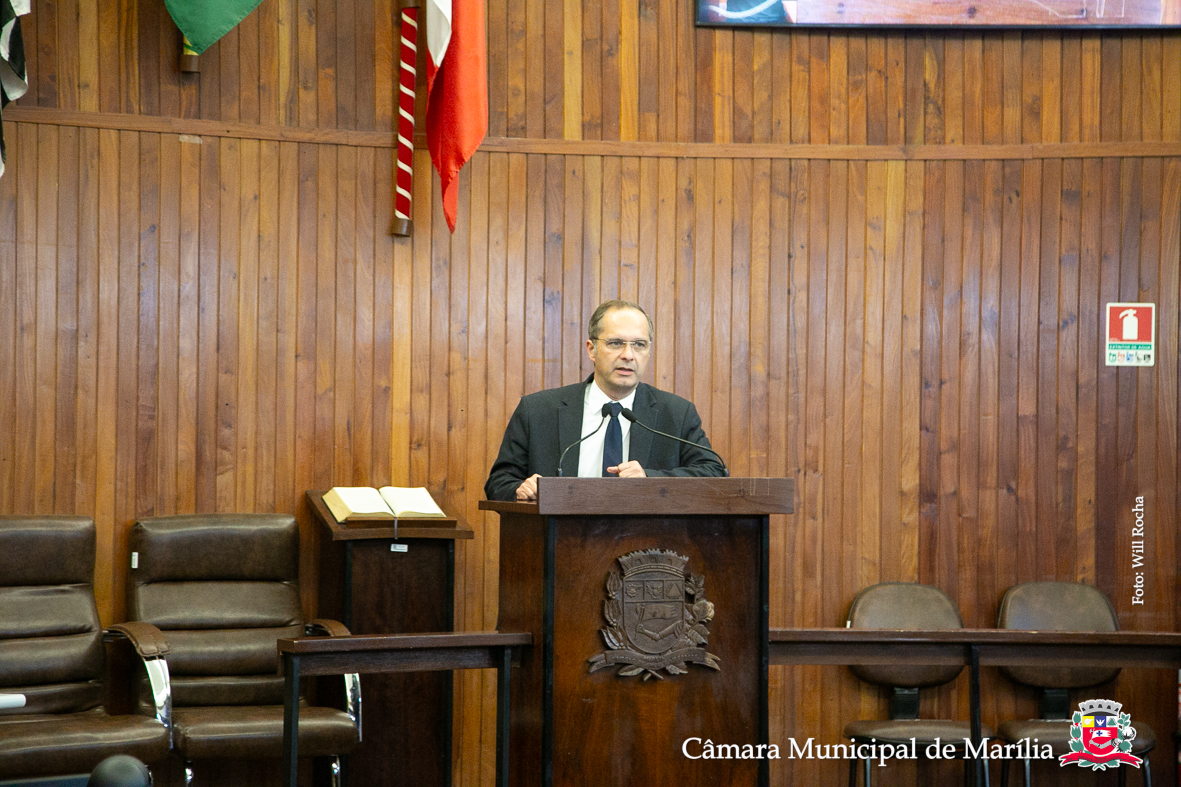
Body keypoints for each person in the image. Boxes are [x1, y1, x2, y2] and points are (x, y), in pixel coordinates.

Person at [484, 300, 726, 502]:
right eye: (616, 343)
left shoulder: (676, 413)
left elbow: (714, 474)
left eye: (639, 345)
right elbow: (499, 482)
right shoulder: (537, 411)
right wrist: (520, 490)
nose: (628, 355)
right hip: (561, 537)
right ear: (592, 349)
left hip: (648, 540)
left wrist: (650, 479)